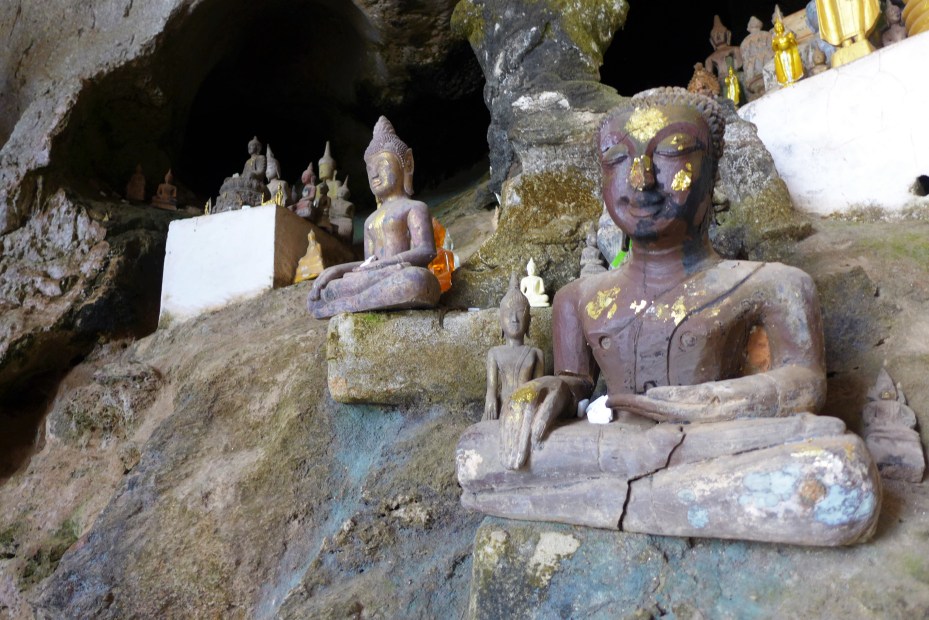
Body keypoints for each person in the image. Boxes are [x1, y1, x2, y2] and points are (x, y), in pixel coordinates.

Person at [456, 87, 880, 546]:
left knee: (841, 468)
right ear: (602, 182)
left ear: (712, 173)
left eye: (672, 153)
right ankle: (668, 499)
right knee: (477, 450)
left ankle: (610, 501)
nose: (640, 178)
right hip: (612, 447)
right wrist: (551, 387)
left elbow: (804, 384)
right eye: (618, 159)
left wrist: (711, 402)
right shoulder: (578, 299)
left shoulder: (773, 283)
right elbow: (578, 383)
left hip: (714, 443)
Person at [306, 117, 440, 318]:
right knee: (328, 288)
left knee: (416, 280)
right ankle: (356, 301)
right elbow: (368, 264)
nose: (374, 174)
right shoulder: (370, 220)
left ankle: (349, 304)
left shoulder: (414, 208)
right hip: (378, 277)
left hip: (400, 273)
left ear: (408, 164)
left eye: (382, 164)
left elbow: (427, 251)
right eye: (369, 169)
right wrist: (335, 270)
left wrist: (387, 264)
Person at [484, 275, 545, 422]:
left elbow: (539, 389)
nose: (514, 319)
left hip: (527, 410)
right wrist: (490, 397)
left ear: (529, 321)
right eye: (508, 314)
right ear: (500, 322)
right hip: (502, 409)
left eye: (519, 312)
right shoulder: (494, 353)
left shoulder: (536, 353)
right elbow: (491, 388)